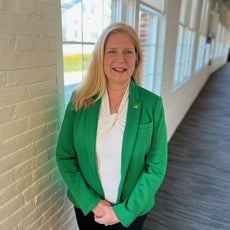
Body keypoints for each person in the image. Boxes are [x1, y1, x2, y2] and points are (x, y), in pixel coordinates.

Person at [56, 22, 168, 230]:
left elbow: (156, 166)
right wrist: (93, 203)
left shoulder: (152, 104)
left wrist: (123, 212)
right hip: (88, 208)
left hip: (131, 211)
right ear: (101, 57)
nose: (121, 59)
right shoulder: (79, 101)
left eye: (128, 51)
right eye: (112, 51)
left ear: (137, 58)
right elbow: (65, 156)